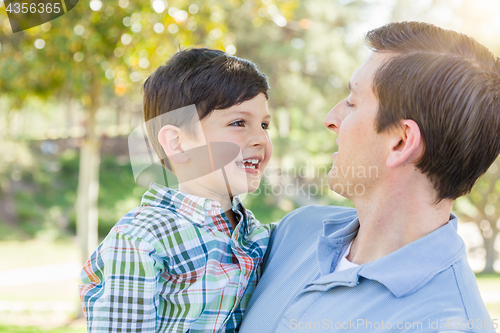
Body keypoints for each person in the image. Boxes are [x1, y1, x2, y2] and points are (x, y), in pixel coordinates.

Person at [239, 21, 500, 333]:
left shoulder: (445, 323)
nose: (330, 119)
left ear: (400, 142)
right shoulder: (297, 231)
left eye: (352, 102)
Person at [79, 48, 275, 332]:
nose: (260, 138)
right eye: (238, 123)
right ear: (177, 142)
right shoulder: (141, 240)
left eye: (265, 125)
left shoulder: (257, 235)